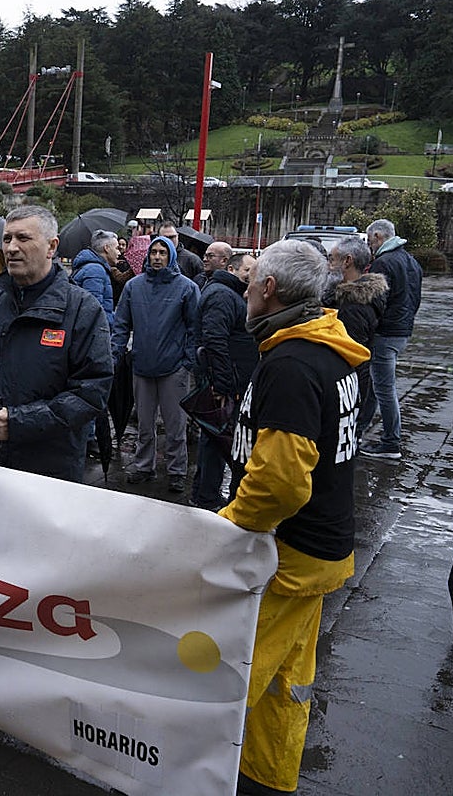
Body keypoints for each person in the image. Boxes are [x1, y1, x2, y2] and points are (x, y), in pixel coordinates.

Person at [220, 239, 369, 796]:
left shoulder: (291, 362)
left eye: (250, 276)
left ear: (269, 289)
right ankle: (266, 775)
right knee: (287, 682)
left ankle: (193, 773)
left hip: (287, 555)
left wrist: (230, 525)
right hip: (320, 549)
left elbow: (281, 482)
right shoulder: (331, 350)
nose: (244, 285)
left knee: (230, 675)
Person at [0, 205, 113, 483]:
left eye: (23, 238)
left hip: (51, 470)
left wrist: (18, 423)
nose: (11, 248)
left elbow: (91, 394)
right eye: (7, 239)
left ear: (52, 247)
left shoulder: (82, 310)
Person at [111, 235, 200, 491]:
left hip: (174, 368)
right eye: (154, 252)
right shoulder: (133, 287)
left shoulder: (186, 288)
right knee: (144, 424)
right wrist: (116, 354)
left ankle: (176, 471)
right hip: (142, 364)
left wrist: (188, 361)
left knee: (175, 425)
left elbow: (195, 327)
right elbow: (121, 324)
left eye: (162, 252)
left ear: (170, 256)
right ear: (148, 255)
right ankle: (144, 466)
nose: (157, 257)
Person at [190, 252, 257, 510]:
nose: (252, 276)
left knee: (215, 438)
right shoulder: (222, 295)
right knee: (218, 440)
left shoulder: (228, 293)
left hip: (229, 378)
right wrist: (222, 385)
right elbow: (215, 341)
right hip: (226, 382)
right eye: (248, 270)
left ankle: (203, 493)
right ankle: (206, 497)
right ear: (232, 268)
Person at [358, 218, 422, 460]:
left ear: (378, 237)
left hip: (386, 333)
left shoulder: (383, 263)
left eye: (369, 239)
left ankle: (391, 443)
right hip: (401, 331)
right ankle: (360, 429)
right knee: (377, 385)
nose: (369, 245)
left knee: (384, 389)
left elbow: (375, 302)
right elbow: (414, 299)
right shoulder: (411, 261)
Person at [324, 235, 387, 432]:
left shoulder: (353, 307)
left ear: (347, 261)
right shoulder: (346, 298)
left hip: (345, 390)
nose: (328, 265)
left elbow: (352, 356)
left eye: (332, 259)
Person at [69, 230, 117, 325]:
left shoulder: (93, 267)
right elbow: (93, 310)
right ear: (106, 248)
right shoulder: (95, 270)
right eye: (117, 248)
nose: (118, 252)